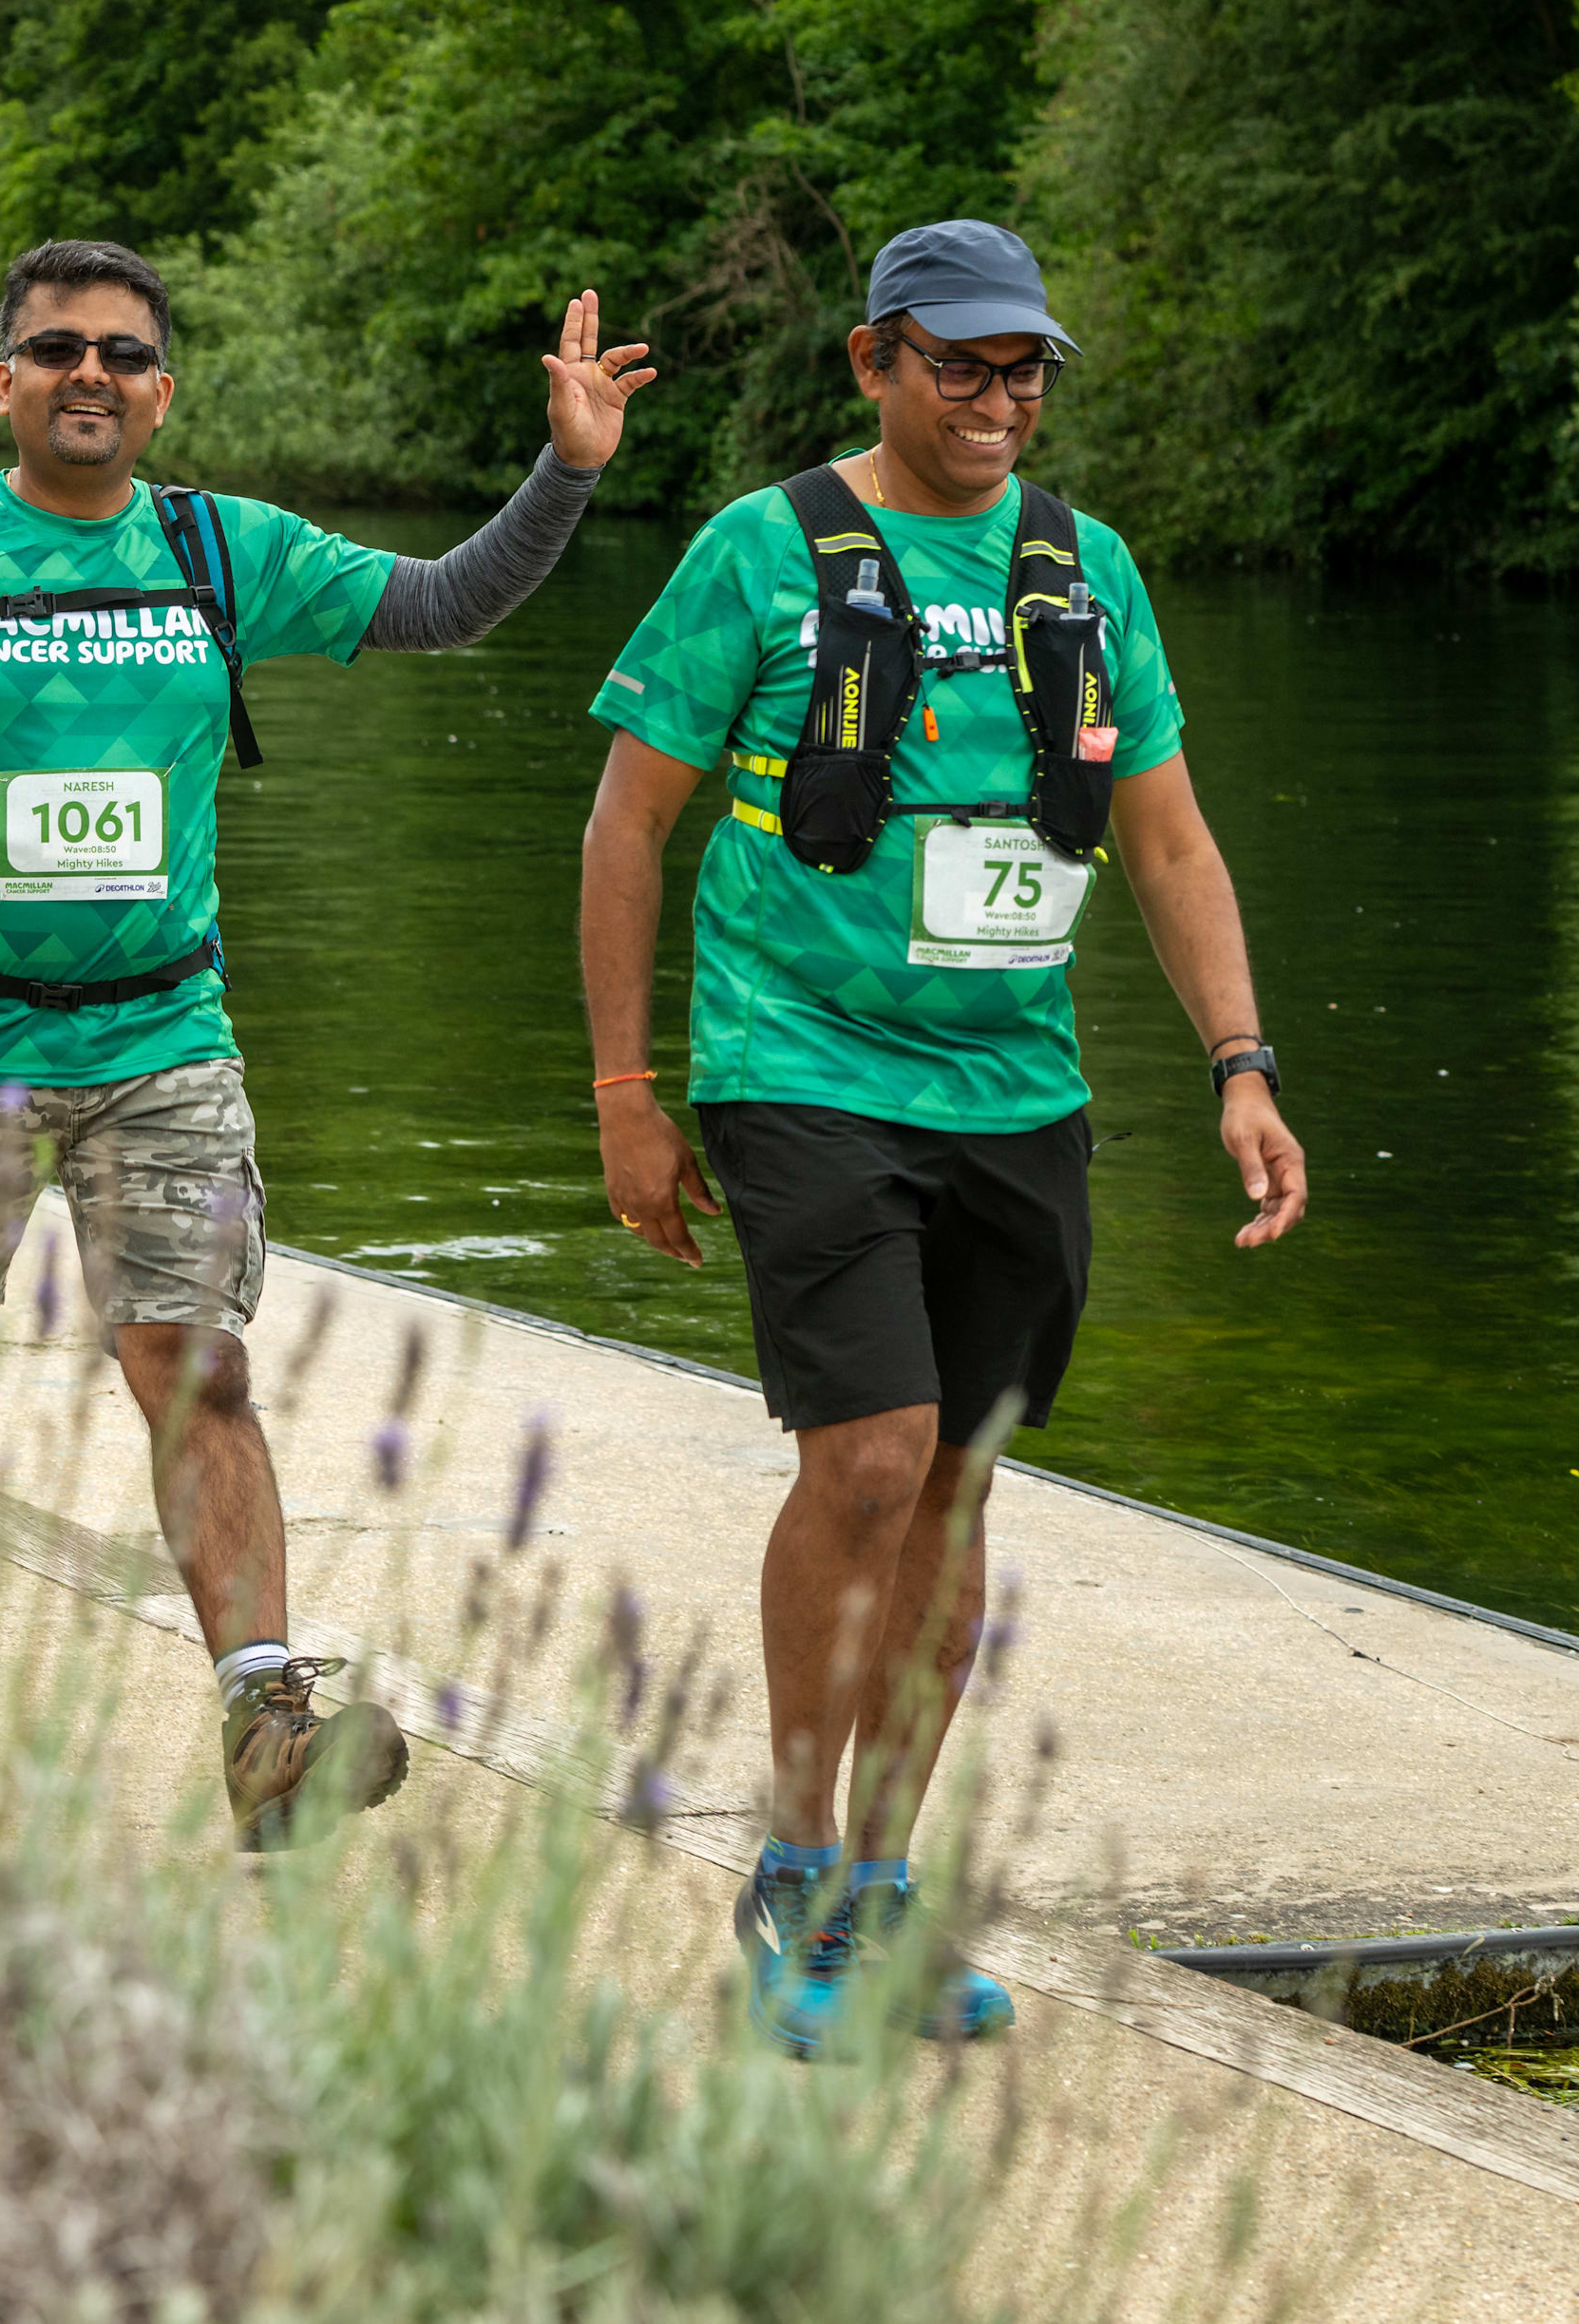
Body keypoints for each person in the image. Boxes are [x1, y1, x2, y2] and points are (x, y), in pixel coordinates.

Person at [0, 238, 651, 1849]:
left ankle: (264, 1716)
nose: (94, 374)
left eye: (125, 355)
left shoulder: (227, 551)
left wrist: (565, 475)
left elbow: (438, 606)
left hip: (166, 1039)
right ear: (2, 380)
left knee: (199, 1368)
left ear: (163, 392)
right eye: (58, 348)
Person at [579, 219, 1310, 2049]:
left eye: (1025, 368)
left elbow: (1167, 842)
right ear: (874, 361)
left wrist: (1241, 1060)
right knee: (873, 1459)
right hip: (802, 1063)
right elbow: (624, 826)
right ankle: (795, 1879)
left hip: (1020, 1094)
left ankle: (889, 1899)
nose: (1000, 398)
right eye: (963, 364)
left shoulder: (1087, 569)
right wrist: (623, 1095)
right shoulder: (761, 552)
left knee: (960, 1484)